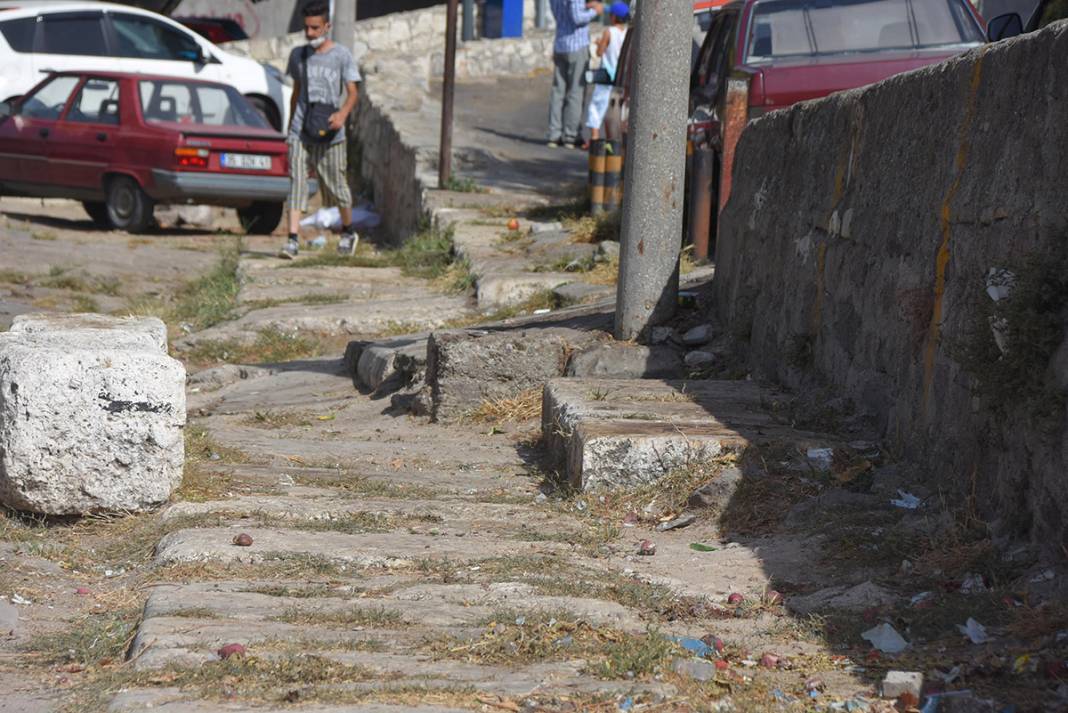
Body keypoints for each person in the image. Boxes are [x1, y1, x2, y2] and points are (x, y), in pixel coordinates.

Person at [279, 0, 362, 259]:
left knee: (337, 185)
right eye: (307, 28)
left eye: (315, 28)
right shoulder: (298, 56)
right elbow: (296, 92)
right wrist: (290, 125)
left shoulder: (342, 56)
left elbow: (352, 92)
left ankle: (348, 231)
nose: (310, 33)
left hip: (331, 132)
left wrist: (342, 115)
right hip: (300, 130)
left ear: (327, 26)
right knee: (297, 183)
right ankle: (292, 239)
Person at [547, 0, 605, 149]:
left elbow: (561, 13)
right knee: (575, 92)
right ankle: (571, 135)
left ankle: (554, 134)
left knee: (558, 91)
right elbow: (577, 18)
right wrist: (595, 11)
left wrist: (585, 7)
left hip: (560, 43)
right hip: (577, 44)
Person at [585, 2, 629, 143]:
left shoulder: (609, 32)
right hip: (622, 75)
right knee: (617, 109)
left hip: (607, 75)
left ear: (613, 17)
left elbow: (599, 52)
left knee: (596, 107)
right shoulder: (628, 32)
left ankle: (595, 137)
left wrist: (599, 44)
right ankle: (615, 140)